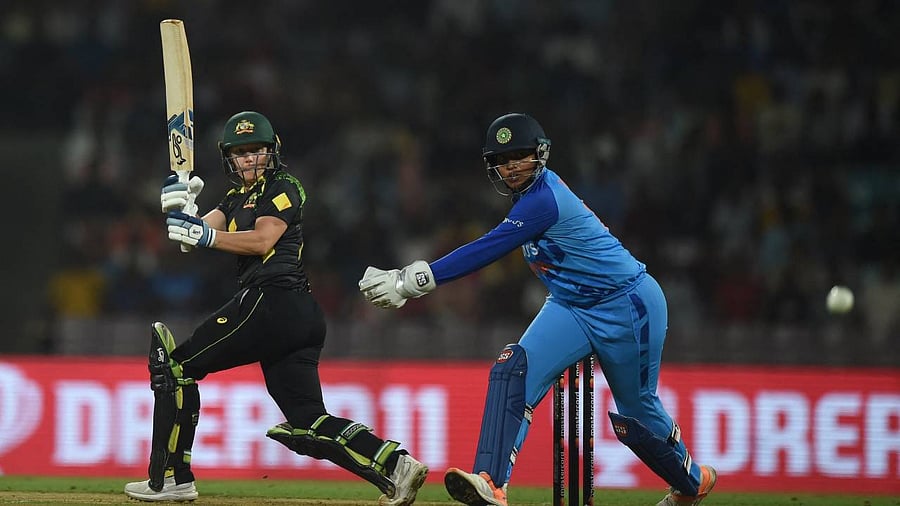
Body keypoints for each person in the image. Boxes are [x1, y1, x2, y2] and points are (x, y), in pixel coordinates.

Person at [358, 113, 717, 506]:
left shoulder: (543, 200)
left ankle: (692, 482)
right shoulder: (527, 201)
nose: (511, 166)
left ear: (540, 154)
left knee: (635, 415)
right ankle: (491, 483)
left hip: (627, 304)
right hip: (570, 304)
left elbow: (488, 248)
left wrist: (409, 281)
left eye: (520, 155)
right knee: (512, 367)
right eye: (503, 159)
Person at [125, 111, 428, 504]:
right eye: (241, 153)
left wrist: (201, 232)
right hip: (294, 316)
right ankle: (396, 464)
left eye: (257, 151)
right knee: (307, 422)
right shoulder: (234, 197)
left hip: (273, 301)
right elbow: (189, 239)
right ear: (229, 159)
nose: (249, 159)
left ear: (272, 152)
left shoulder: (285, 185)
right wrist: (176, 207)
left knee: (177, 368)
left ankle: (171, 479)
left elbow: (260, 241)